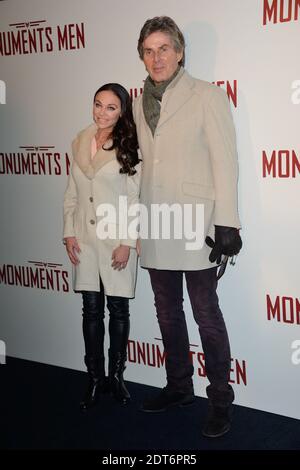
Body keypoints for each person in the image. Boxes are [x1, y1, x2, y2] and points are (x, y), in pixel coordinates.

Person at [133, 16, 242, 437]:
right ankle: (179, 387)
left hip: (197, 224)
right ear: (142, 56)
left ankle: (220, 401)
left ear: (179, 52)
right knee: (166, 312)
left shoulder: (207, 96)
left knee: (206, 315)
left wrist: (227, 222)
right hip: (158, 221)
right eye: (148, 49)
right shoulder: (139, 101)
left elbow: (224, 160)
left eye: (164, 48)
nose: (156, 57)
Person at [63, 83, 141, 410]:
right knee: (91, 310)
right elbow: (71, 193)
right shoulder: (79, 141)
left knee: (118, 309)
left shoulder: (130, 144)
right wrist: (69, 232)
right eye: (98, 104)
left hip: (115, 241)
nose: (102, 112)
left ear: (122, 111)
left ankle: (117, 377)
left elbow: (136, 199)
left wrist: (127, 242)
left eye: (111, 107)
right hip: (85, 240)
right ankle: (94, 379)